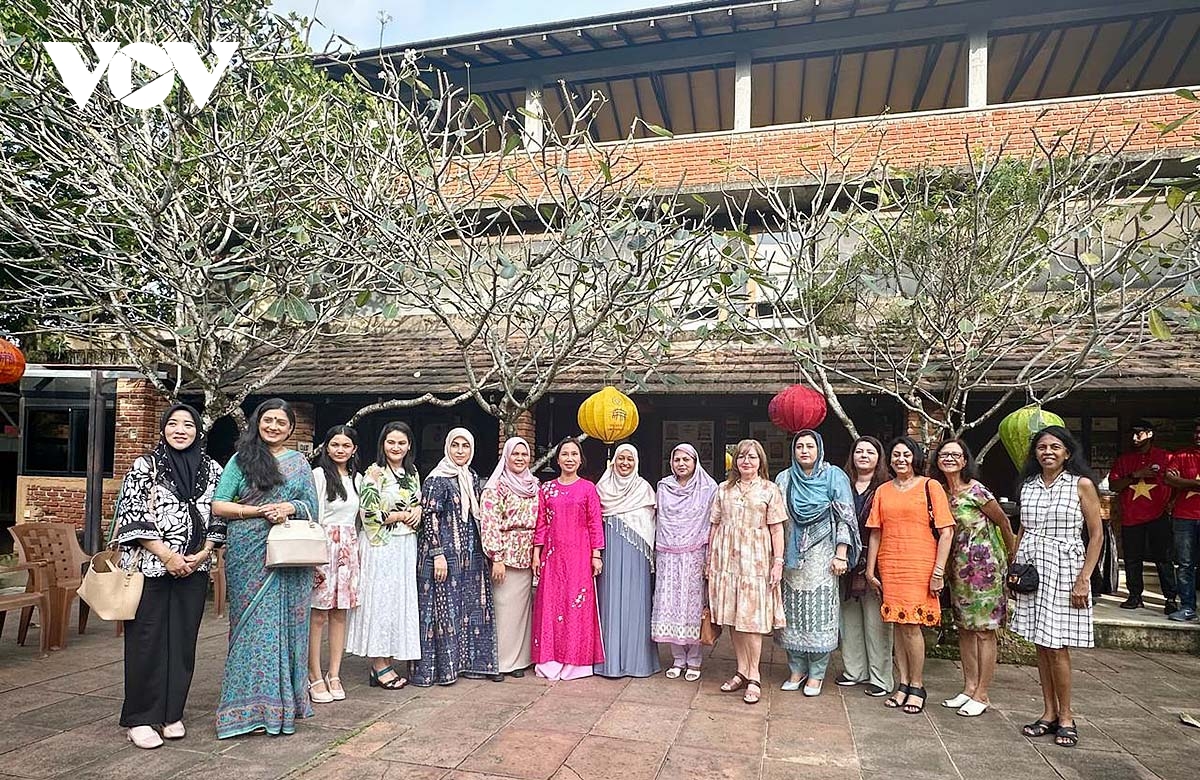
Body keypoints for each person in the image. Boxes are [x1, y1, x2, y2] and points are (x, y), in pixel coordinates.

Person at [112, 404, 224, 749]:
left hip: (194, 567)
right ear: (163, 430)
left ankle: (172, 713)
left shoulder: (212, 468)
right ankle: (141, 718)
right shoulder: (145, 466)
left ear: (198, 432)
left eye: (188, 425)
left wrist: (204, 552)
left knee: (183, 643)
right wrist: (167, 555)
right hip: (151, 568)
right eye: (173, 424)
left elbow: (218, 516)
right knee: (147, 641)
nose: (180, 430)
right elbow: (132, 514)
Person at [211, 398, 319, 739]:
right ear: (257, 422)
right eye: (268, 420)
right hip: (249, 553)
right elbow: (219, 505)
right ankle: (248, 708)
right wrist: (258, 511)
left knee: (287, 626)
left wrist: (289, 506)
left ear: (290, 429)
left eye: (281, 423)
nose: (273, 426)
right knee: (253, 628)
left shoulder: (299, 463)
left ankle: (283, 705)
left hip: (290, 554)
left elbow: (312, 509)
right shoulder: (241, 459)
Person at [1011, 426, 1103, 749]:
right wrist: (1014, 570)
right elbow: (1023, 529)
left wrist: (1084, 578)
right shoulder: (1028, 485)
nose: (1047, 452)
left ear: (1067, 452)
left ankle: (1066, 716)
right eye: (1041, 447)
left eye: (1054, 446)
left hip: (1065, 568)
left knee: (1057, 645)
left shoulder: (1081, 484)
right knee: (1040, 643)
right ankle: (1048, 712)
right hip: (1032, 568)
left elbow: (1096, 534)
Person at [864, 435, 954, 715]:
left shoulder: (930, 486)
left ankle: (917, 685)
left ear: (915, 457)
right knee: (898, 625)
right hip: (890, 565)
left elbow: (946, 532)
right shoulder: (883, 490)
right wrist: (870, 569)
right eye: (896, 455)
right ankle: (902, 683)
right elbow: (876, 532)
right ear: (889, 460)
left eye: (906, 454)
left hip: (920, 565)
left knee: (912, 626)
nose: (901, 459)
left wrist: (938, 571)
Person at [932, 438, 1017, 717]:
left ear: (965, 460)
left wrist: (1013, 558)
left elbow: (1003, 522)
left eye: (955, 455)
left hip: (985, 570)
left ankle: (982, 693)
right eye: (944, 454)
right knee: (965, 629)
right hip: (957, 569)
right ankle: (969, 688)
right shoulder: (940, 492)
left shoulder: (976, 490)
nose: (949, 459)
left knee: (984, 631)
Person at [775, 431, 859, 697]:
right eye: (799, 446)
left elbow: (845, 517)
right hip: (791, 558)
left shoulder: (834, 476)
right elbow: (776, 520)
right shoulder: (784, 478)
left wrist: (841, 554)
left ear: (819, 449)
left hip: (823, 558)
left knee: (820, 615)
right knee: (792, 614)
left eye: (810, 446)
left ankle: (817, 673)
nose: (804, 451)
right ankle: (796, 669)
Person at [414, 427, 499, 685]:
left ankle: (467, 664)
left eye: (465, 446)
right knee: (443, 610)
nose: (460, 451)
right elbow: (429, 517)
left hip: (470, 555)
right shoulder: (437, 479)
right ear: (447, 447)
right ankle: (441, 670)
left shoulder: (470, 476)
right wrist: (437, 554)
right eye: (455, 445)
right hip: (444, 555)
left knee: (468, 608)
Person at [708, 439, 786, 706]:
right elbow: (715, 525)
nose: (746, 461)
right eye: (741, 456)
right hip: (726, 561)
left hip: (756, 561)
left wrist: (778, 562)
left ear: (760, 461)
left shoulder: (770, 489)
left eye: (752, 457)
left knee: (752, 619)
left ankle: (754, 675)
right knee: (734, 616)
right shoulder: (723, 489)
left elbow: (777, 528)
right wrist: (709, 560)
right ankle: (741, 670)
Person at [347, 422, 421, 689]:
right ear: (382, 444)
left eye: (401, 442)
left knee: (397, 603)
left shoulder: (412, 473)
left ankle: (387, 659)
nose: (396, 447)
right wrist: (401, 515)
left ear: (409, 445)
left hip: (405, 545)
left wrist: (418, 511)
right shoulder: (374, 473)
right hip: (381, 545)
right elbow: (368, 513)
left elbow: (417, 503)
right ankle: (379, 664)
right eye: (391, 442)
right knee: (380, 601)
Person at [531, 438, 605, 680]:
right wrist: (536, 553)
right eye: (565, 454)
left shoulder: (588, 488)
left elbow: (595, 523)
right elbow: (541, 523)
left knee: (577, 606)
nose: (569, 458)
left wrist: (596, 555)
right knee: (551, 604)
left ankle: (576, 664)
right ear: (558, 459)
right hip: (552, 557)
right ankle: (549, 662)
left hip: (580, 556)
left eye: (574, 454)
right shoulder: (546, 488)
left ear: (580, 459)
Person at [651, 443, 718, 681]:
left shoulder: (708, 487)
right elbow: (658, 519)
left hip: (695, 552)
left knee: (693, 606)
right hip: (668, 553)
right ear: (671, 463)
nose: (681, 464)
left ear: (695, 462)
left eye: (686, 460)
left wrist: (710, 557)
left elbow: (713, 522)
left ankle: (694, 660)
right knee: (670, 602)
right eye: (677, 460)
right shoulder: (664, 487)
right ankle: (678, 659)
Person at [307, 425, 362, 704]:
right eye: (335, 445)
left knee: (340, 613)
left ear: (354, 449)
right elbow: (312, 515)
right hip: (324, 545)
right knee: (318, 614)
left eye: (346, 445)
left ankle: (335, 673)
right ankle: (314, 673)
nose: (340, 450)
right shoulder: (318, 476)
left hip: (349, 548)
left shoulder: (357, 479)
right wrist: (315, 556)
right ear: (327, 447)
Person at [595, 443, 659, 678]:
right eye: (621, 458)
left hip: (637, 554)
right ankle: (608, 662)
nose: (625, 463)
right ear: (614, 462)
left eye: (630, 459)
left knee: (636, 603)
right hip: (610, 553)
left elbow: (651, 524)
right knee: (609, 600)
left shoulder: (644, 489)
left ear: (636, 462)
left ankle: (637, 662)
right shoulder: (601, 489)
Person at [838, 436, 894, 697]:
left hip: (876, 561)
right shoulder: (843, 485)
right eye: (859, 451)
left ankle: (881, 678)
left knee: (876, 622)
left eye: (870, 452)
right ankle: (854, 671)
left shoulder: (886, 487)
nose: (863, 455)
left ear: (879, 458)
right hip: (846, 560)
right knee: (849, 619)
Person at [480, 436, 541, 677]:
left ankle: (518, 661)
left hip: (527, 554)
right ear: (506, 456)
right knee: (503, 610)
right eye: (515, 454)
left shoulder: (534, 485)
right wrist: (496, 557)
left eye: (524, 454)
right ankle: (499, 662)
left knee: (521, 611)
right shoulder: (496, 486)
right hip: (505, 555)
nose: (520, 458)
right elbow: (489, 522)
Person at [1108, 419, 1178, 614]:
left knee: (1164, 559)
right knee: (1132, 558)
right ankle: (1134, 596)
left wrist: (1171, 503)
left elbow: (1175, 482)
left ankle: (1170, 598)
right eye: (1132, 433)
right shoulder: (1124, 460)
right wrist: (1135, 475)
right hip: (1131, 516)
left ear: (1150, 434)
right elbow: (1114, 486)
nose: (1134, 437)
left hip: (1159, 514)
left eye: (1139, 433)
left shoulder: (1166, 457)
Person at [1167, 420, 1200, 621]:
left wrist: (1184, 483)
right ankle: (1187, 607)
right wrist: (1195, 484)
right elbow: (1169, 478)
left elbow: (1177, 480)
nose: (1198, 435)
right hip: (1184, 517)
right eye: (1196, 432)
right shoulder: (1181, 456)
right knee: (1185, 564)